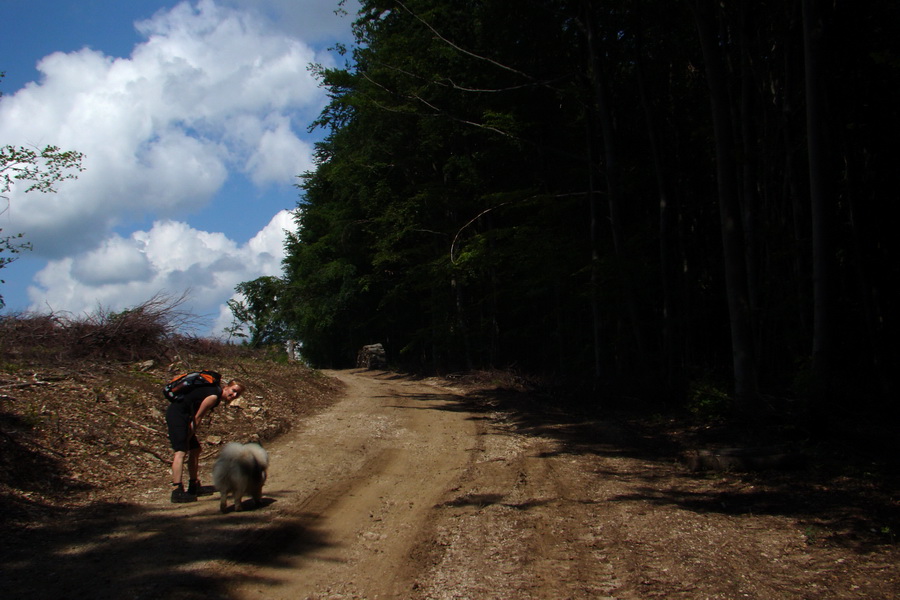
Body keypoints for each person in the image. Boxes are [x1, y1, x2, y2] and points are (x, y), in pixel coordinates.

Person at [165, 377, 246, 503]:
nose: (234, 395)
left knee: (195, 449)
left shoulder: (215, 394)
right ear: (226, 387)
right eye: (233, 390)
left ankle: (194, 485)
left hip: (184, 416)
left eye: (237, 394)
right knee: (180, 451)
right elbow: (197, 418)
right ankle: (177, 490)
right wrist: (189, 435)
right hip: (177, 415)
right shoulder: (213, 396)